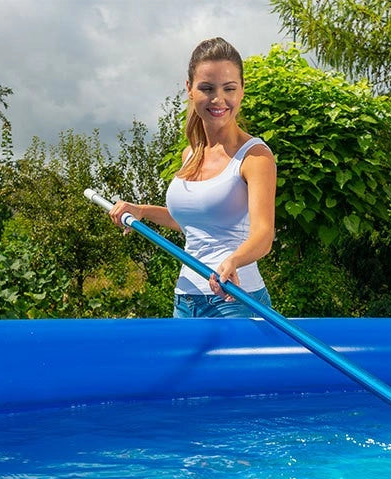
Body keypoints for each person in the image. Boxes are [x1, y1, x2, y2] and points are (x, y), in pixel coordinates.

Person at [109, 37, 276, 318]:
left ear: (242, 91)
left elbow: (263, 235)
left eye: (229, 89)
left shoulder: (255, 156)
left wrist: (233, 260)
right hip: (185, 300)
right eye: (207, 88)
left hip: (235, 299)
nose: (218, 99)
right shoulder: (191, 153)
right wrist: (141, 212)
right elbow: (193, 223)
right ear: (189, 89)